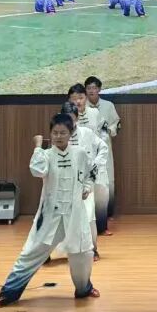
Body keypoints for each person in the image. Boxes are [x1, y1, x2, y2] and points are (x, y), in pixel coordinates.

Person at [0, 114, 101, 309]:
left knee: (83, 255)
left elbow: (91, 173)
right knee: (29, 254)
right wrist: (38, 146)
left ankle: (84, 289)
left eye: (63, 133)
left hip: (75, 216)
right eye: (55, 133)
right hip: (50, 216)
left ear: (70, 133)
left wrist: (87, 188)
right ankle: (8, 294)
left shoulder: (80, 153)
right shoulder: (46, 155)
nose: (59, 136)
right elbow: (37, 170)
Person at [56, 100, 108, 260]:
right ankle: (50, 251)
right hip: (64, 181)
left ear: (77, 118)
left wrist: (95, 165)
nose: (69, 123)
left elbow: (103, 147)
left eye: (72, 119)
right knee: (59, 217)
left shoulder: (86, 133)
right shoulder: (58, 135)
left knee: (88, 215)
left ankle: (92, 249)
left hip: (85, 181)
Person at [85, 76, 120, 228]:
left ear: (99, 89)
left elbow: (116, 123)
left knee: (108, 180)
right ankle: (89, 214)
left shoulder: (108, 105)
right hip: (87, 149)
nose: (91, 91)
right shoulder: (82, 107)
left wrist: (109, 130)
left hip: (104, 147)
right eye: (89, 88)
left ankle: (107, 213)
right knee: (88, 180)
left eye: (94, 88)